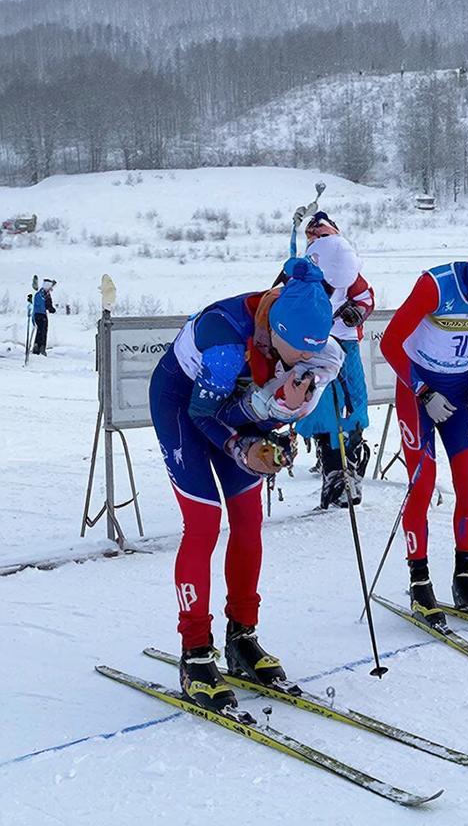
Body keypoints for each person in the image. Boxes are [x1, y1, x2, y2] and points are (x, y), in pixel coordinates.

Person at [149, 257, 339, 712]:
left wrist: (275, 434)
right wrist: (241, 448)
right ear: (278, 331)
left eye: (312, 354)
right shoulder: (225, 339)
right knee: (203, 525)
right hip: (183, 406)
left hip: (231, 406)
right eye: (299, 353)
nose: (305, 362)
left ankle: (242, 637)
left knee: (249, 522)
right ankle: (195, 651)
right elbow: (203, 414)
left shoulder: (302, 339)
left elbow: (262, 406)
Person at [380, 246, 468, 627]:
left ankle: (465, 577)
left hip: (459, 390)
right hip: (416, 391)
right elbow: (390, 343)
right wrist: (424, 391)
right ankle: (420, 582)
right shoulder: (435, 285)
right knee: (423, 484)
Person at [292, 211, 376, 508]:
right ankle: (333, 471)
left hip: (345, 342)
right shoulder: (303, 272)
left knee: (353, 401)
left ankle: (349, 465)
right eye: (314, 237)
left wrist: (357, 312)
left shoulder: (347, 269)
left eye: (323, 236)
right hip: (314, 345)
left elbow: (365, 297)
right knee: (322, 404)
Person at [31, 278, 56, 355]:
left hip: (37, 314)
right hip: (41, 315)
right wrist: (51, 309)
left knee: (40, 330)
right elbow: (48, 305)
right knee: (43, 331)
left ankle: (36, 347)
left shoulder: (39, 294)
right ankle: (41, 348)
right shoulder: (45, 295)